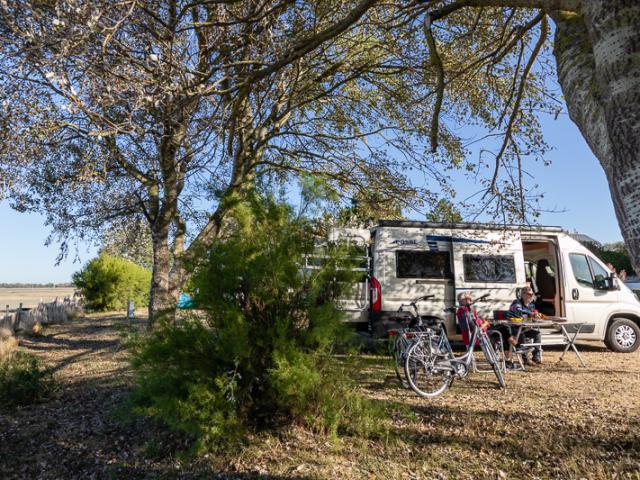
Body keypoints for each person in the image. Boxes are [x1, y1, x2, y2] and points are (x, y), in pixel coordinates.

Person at [508, 286, 542, 365]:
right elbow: (518, 310)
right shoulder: (516, 302)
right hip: (515, 330)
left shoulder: (531, 305)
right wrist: (531, 313)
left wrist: (536, 315)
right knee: (521, 335)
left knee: (537, 334)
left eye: (532, 294)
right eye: (529, 294)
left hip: (526, 328)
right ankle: (525, 359)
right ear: (523, 294)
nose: (531, 296)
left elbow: (533, 315)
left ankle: (536, 357)